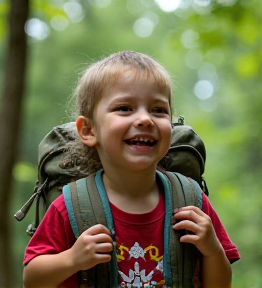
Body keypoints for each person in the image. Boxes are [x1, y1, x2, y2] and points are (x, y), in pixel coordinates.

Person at [23, 51, 240, 288]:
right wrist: (72, 259)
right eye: (125, 108)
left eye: (158, 110)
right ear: (88, 130)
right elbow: (32, 279)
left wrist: (212, 249)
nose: (145, 119)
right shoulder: (70, 206)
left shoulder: (190, 200)